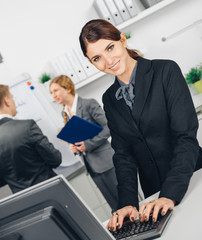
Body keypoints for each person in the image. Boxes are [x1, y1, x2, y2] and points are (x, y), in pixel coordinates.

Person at [79, 19, 202, 230]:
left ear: (122, 40)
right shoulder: (109, 99)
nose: (108, 61)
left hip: (191, 178)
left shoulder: (165, 71)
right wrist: (127, 202)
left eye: (110, 47)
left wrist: (169, 194)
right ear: (92, 63)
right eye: (97, 58)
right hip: (153, 195)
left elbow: (186, 137)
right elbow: (123, 154)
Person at [49, 75, 118, 210]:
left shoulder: (88, 104)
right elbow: (77, 137)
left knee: (127, 202)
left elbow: (109, 127)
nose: (53, 95)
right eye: (51, 93)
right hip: (91, 167)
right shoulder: (64, 113)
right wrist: (74, 147)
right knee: (115, 208)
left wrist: (88, 144)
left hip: (107, 163)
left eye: (55, 90)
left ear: (68, 88)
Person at [0, 84, 62, 193]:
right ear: (6, 101)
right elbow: (55, 159)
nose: (14, 102)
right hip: (51, 191)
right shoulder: (27, 127)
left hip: (24, 200)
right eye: (11, 97)